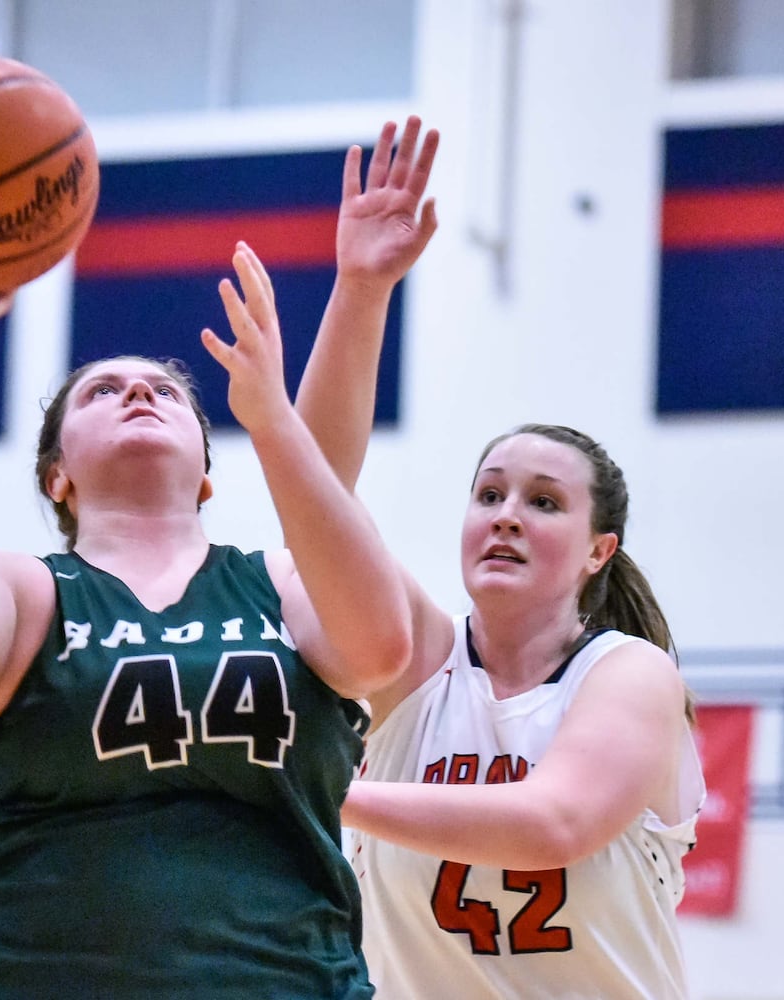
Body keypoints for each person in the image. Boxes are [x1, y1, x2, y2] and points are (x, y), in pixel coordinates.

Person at [0, 140, 413, 996]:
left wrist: (272, 416)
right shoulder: (28, 592)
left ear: (206, 468)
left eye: (166, 390)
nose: (139, 392)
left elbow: (379, 647)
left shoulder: (278, 585)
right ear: (58, 475)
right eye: (100, 390)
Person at [296, 121, 706, 998]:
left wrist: (319, 787)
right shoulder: (417, 670)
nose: (506, 517)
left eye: (543, 502)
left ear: (601, 550)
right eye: (489, 495)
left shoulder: (628, 674)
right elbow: (315, 499)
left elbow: (552, 823)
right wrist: (361, 288)